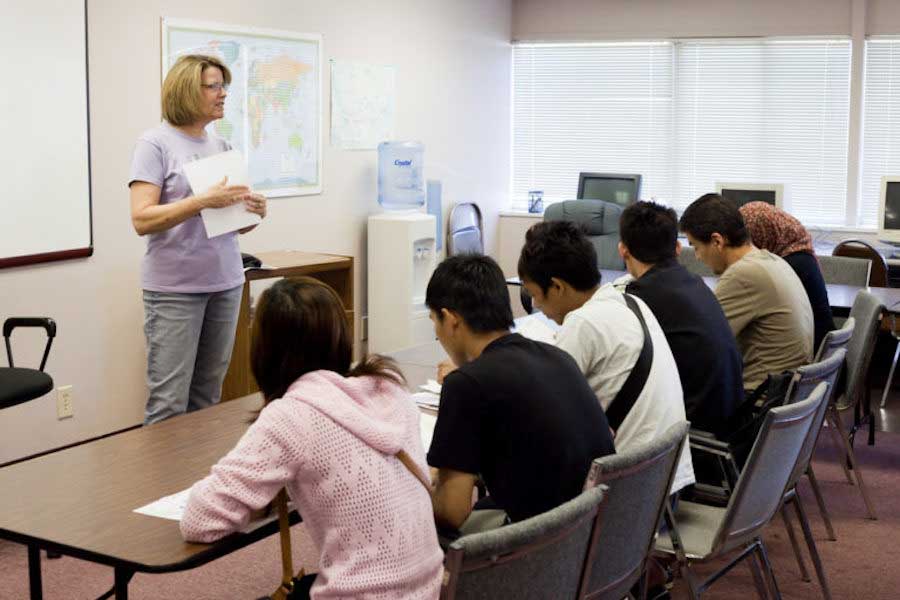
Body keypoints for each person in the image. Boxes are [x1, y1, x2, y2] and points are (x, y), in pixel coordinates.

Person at [181, 277, 443, 599]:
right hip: (429, 589)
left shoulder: (291, 416)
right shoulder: (389, 388)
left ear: (265, 348)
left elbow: (200, 520)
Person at [426, 255, 614, 533]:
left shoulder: (465, 384)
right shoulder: (558, 357)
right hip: (589, 536)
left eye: (434, 321)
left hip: (534, 549)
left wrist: (419, 489)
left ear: (451, 320)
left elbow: (452, 513)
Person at [129, 54, 267, 424]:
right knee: (169, 403)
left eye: (225, 87)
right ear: (189, 89)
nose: (223, 94)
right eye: (214, 86)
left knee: (208, 399)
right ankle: (162, 484)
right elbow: (141, 218)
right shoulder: (154, 143)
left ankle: (197, 483)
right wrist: (201, 200)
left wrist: (253, 212)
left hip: (225, 282)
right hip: (175, 289)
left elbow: (232, 223)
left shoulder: (220, 146)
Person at [517, 221, 695, 494]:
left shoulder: (583, 323)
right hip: (666, 485)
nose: (537, 306)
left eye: (534, 295)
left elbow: (539, 413)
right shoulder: (631, 303)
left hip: (626, 504)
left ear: (557, 286)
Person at [618, 201, 743, 438]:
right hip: (729, 425)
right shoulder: (694, 283)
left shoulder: (641, 299)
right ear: (676, 248)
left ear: (623, 250)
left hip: (693, 439)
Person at [679, 194, 814, 392]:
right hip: (790, 399)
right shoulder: (772, 260)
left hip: (758, 405)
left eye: (696, 247)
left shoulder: (742, 275)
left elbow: (702, 347)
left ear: (717, 241)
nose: (697, 258)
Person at [740, 201, 835, 352]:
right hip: (821, 355)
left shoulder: (788, 266)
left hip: (810, 359)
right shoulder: (800, 254)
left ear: (763, 232)